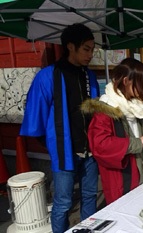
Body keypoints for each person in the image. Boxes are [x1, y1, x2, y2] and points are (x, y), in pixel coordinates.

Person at [20, 23, 99, 233]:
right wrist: (53, 144)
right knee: (63, 202)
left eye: (92, 49)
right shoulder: (48, 76)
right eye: (86, 49)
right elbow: (36, 115)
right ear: (70, 46)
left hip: (90, 150)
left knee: (89, 196)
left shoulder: (89, 76)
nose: (90, 54)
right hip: (64, 150)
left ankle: (86, 231)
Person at [82, 58, 143, 205]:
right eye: (141, 83)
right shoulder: (105, 109)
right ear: (126, 81)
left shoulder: (139, 105)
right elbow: (100, 145)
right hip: (122, 178)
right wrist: (136, 143)